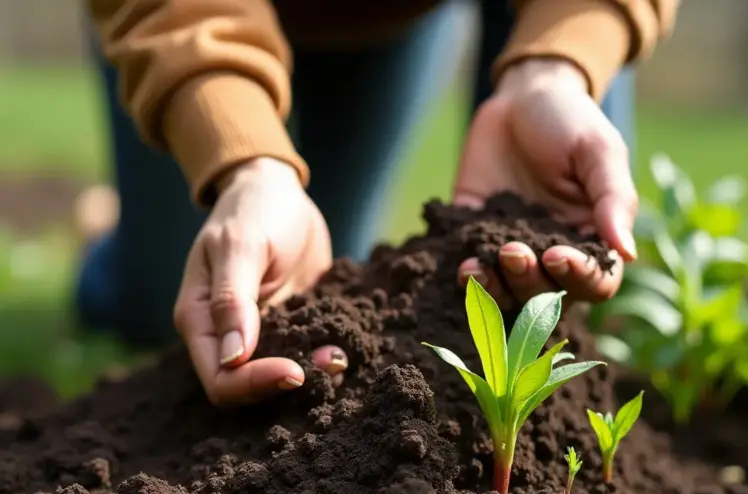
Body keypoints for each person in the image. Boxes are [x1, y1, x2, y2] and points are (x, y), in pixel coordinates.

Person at [83, 0, 679, 406]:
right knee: (186, 301)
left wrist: (558, 66)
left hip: (404, 16)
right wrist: (246, 166)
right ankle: (112, 251)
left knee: (551, 267)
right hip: (189, 19)